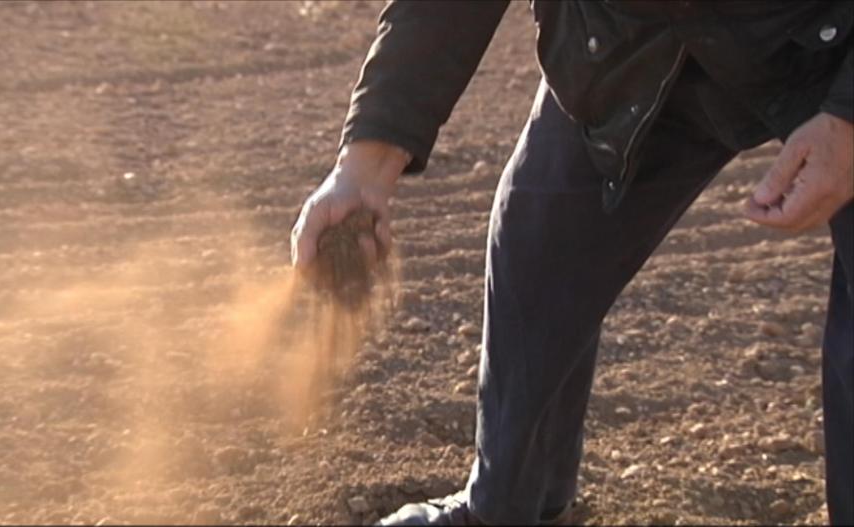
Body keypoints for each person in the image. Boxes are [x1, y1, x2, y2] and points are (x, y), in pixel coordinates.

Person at [290, 1, 853, 525]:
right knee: (536, 253)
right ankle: (509, 508)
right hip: (625, 41)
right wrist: (366, 161)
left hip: (830, 42)